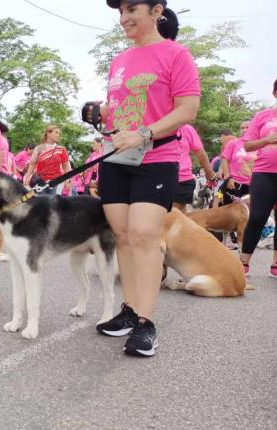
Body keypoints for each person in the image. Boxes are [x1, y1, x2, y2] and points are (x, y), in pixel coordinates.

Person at [95, 0, 199, 357]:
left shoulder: (176, 54)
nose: (123, 18)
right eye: (120, 11)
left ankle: (145, 323)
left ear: (157, 11)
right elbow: (121, 108)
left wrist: (144, 132)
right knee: (122, 235)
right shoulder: (119, 60)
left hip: (157, 156)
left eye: (131, 9)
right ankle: (128, 309)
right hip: (116, 157)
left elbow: (188, 108)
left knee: (143, 234)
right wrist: (107, 115)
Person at [239, 78, 277, 278]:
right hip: (264, 173)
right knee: (257, 217)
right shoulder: (262, 116)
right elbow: (246, 145)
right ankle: (243, 262)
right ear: (274, 93)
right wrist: (267, 140)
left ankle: (275, 265)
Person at [172, 124, 215, 210]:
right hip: (168, 177)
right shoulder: (186, 128)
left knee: (177, 215)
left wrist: (210, 173)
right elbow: (200, 153)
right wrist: (210, 174)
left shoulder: (186, 128)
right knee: (177, 215)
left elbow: (200, 153)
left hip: (181, 178)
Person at [22, 125, 71, 195]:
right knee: (42, 203)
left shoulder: (61, 149)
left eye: (59, 133)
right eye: (56, 132)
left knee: (54, 203)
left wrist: (68, 180)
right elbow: (32, 164)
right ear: (48, 133)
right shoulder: (38, 148)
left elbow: (66, 166)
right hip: (41, 182)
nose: (58, 135)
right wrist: (27, 177)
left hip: (57, 182)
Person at [220, 121, 256, 205]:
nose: (244, 130)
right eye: (242, 128)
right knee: (231, 214)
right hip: (234, 183)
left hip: (254, 184)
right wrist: (228, 178)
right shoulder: (233, 143)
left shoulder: (258, 143)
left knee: (252, 213)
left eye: (247, 127)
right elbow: (224, 159)